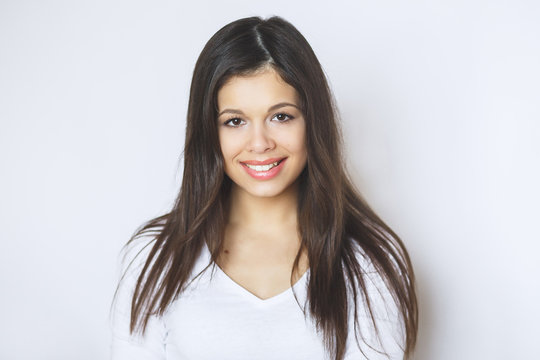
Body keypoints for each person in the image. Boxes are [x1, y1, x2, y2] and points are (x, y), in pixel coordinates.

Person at [110, 16, 418, 360]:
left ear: (312, 121)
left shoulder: (368, 261)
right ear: (210, 132)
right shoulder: (155, 259)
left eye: (281, 116)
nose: (259, 143)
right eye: (235, 121)